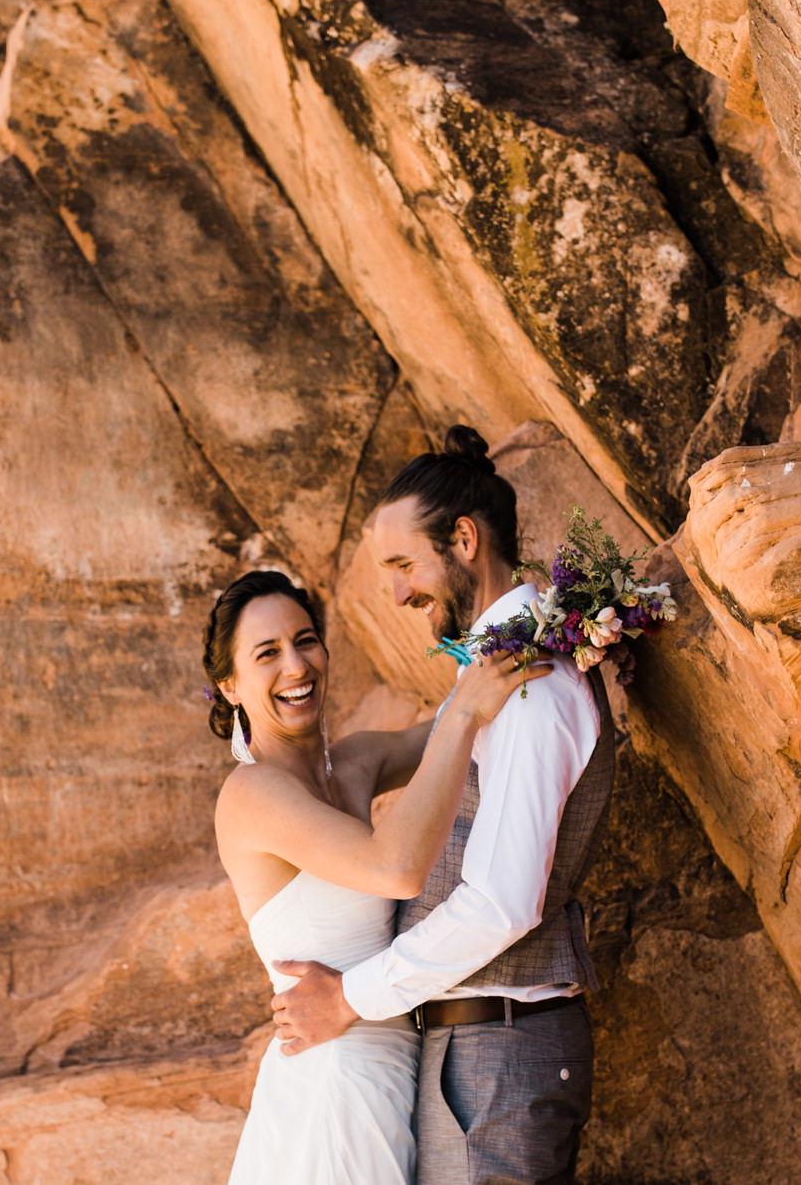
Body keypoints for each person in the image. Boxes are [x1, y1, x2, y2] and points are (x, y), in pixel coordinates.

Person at [271, 426, 616, 1185]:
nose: (396, 594)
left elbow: (501, 902)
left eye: (403, 565)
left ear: (464, 540)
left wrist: (348, 1000)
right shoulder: (494, 674)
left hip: (499, 1051)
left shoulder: (528, 682)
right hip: (476, 1049)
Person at [210, 568, 549, 1185]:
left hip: (397, 1070)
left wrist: (563, 621)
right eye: (267, 653)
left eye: (305, 639)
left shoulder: (359, 759)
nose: (296, 665)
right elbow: (394, 867)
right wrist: (466, 711)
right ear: (230, 686)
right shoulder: (250, 793)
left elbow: (467, 714)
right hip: (333, 1081)